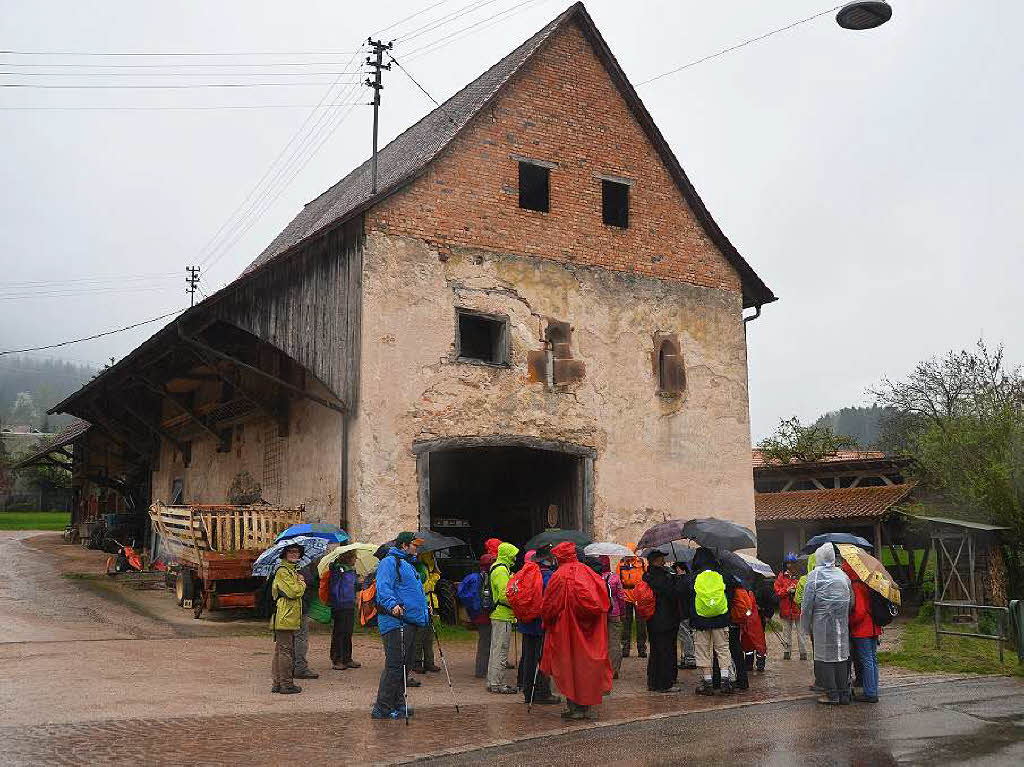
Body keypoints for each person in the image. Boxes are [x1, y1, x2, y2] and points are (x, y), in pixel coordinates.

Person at [540, 541, 612, 720]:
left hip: (566, 629)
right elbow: (603, 599)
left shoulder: (559, 576)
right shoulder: (588, 572)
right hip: (590, 630)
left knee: (568, 666)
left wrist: (546, 622)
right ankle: (584, 706)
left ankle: (574, 706)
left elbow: (550, 604)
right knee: (585, 666)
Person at [371, 532, 429, 720]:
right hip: (395, 622)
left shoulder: (408, 565)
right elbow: (383, 587)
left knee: (406, 665)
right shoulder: (390, 562)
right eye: (414, 545)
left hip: (411, 621)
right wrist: (392, 605)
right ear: (404, 545)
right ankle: (382, 707)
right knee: (395, 665)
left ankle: (398, 703)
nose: (417, 548)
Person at [800, 542, 853, 705]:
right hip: (841, 623)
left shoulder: (814, 576)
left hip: (822, 624)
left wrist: (805, 625)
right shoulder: (842, 575)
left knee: (825, 658)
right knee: (841, 657)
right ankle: (844, 693)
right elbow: (851, 600)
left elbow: (807, 604)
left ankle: (832, 694)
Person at [685, 547, 735, 696]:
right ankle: (725, 681)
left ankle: (707, 683)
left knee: (702, 651)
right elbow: (731, 594)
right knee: (723, 649)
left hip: (700, 622)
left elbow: (686, 595)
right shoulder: (722, 575)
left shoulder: (693, 577)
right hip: (721, 619)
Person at [518, 547, 560, 704]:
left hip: (526, 622)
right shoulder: (548, 577)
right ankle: (543, 693)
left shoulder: (527, 574)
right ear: (548, 560)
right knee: (542, 658)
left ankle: (528, 691)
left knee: (528, 658)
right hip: (540, 624)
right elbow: (551, 601)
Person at [842, 558, 882, 703]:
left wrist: (849, 622)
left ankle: (870, 693)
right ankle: (873, 689)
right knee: (872, 659)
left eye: (844, 566)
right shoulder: (867, 581)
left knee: (866, 661)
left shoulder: (855, 585)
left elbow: (859, 611)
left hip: (862, 629)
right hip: (873, 627)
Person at [643, 549, 683, 693]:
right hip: (665, 619)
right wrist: (678, 578)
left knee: (655, 651)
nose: (664, 561)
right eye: (662, 559)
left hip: (652, 618)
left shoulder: (647, 575)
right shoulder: (661, 577)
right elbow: (673, 593)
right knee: (665, 651)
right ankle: (665, 683)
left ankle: (653, 681)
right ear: (656, 560)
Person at [270, 543, 307, 694]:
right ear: (284, 554)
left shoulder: (291, 571)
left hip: (288, 615)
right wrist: (302, 583)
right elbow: (293, 592)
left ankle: (278, 683)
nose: (294, 554)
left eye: (297, 552)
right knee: (285, 651)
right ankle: (286, 684)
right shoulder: (283, 572)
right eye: (290, 552)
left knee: (281, 650)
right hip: (285, 616)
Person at [487, 541, 520, 694]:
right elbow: (503, 594)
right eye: (513, 555)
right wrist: (517, 596)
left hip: (500, 614)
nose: (514, 558)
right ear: (507, 555)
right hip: (503, 614)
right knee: (500, 651)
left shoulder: (499, 567)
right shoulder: (501, 570)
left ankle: (492, 681)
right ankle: (497, 683)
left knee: (496, 649)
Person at [326, 549, 361, 670]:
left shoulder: (352, 571)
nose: (355, 560)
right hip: (340, 605)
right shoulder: (338, 570)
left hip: (350, 604)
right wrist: (335, 602)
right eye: (354, 557)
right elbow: (334, 588)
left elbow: (355, 585)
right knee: (339, 632)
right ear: (348, 558)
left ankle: (347, 658)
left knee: (348, 632)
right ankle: (337, 659)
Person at [412, 550, 442, 675]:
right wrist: (434, 578)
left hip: (429, 601)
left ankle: (429, 662)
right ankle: (417, 662)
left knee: (429, 634)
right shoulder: (418, 567)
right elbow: (422, 586)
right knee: (419, 634)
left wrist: (434, 574)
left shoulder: (428, 567)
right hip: (421, 602)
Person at [598, 555, 627, 679]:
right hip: (614, 613)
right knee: (614, 642)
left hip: (600, 613)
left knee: (600, 642)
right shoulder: (615, 577)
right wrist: (622, 612)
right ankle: (614, 669)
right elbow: (621, 597)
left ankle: (601, 669)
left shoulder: (595, 577)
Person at [292, 556, 321, 681]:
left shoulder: (291, 568)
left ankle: (294, 665)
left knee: (294, 637)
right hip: (299, 607)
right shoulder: (298, 568)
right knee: (300, 637)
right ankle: (300, 667)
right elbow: (310, 582)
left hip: (295, 607)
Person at [774, 553, 807, 661]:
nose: (790, 565)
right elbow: (777, 591)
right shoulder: (781, 576)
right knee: (786, 633)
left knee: (801, 633)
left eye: (792, 563)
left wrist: (796, 589)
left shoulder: (801, 576)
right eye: (788, 563)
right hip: (786, 609)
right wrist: (787, 590)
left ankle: (803, 653)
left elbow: (805, 590)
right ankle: (787, 652)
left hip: (798, 609)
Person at [617, 549, 648, 658]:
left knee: (641, 623)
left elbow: (646, 578)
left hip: (639, 596)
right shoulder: (621, 564)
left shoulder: (642, 563)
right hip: (626, 596)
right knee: (626, 623)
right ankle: (625, 648)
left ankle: (641, 648)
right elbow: (617, 580)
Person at [472, 552, 496, 678]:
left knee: (484, 642)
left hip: (478, 614)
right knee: (486, 643)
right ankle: (481, 671)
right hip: (485, 614)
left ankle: (481, 669)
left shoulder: (477, 577)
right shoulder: (487, 578)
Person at [673, 560, 697, 670]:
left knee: (685, 635)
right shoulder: (691, 579)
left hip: (682, 612)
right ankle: (685, 657)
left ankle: (689, 658)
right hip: (688, 611)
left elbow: (678, 594)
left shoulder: (681, 581)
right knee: (687, 634)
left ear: (679, 568)